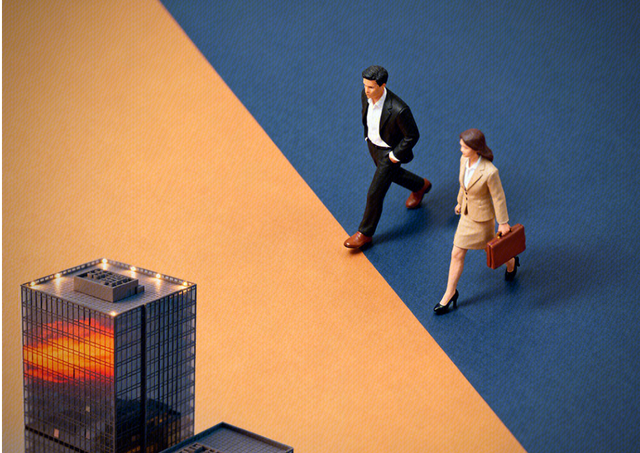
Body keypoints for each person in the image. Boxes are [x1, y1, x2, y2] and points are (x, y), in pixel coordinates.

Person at [344, 65, 432, 249]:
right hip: (373, 146)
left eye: (370, 87)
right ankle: (420, 185)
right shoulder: (365, 96)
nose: (366, 90)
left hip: (389, 152)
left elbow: (412, 135)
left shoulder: (399, 109)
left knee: (375, 192)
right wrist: (368, 138)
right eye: (364, 85)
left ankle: (365, 233)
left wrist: (394, 155)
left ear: (382, 85)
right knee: (393, 175)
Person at [434, 128, 520, 314]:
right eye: (461, 146)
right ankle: (450, 293)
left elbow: (498, 197)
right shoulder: (463, 160)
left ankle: (511, 261)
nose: (461, 150)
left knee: (491, 249)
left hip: (482, 220)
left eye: (464, 147)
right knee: (457, 253)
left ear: (476, 148)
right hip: (467, 216)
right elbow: (463, 185)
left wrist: (503, 222)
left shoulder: (490, 172)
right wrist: (459, 202)